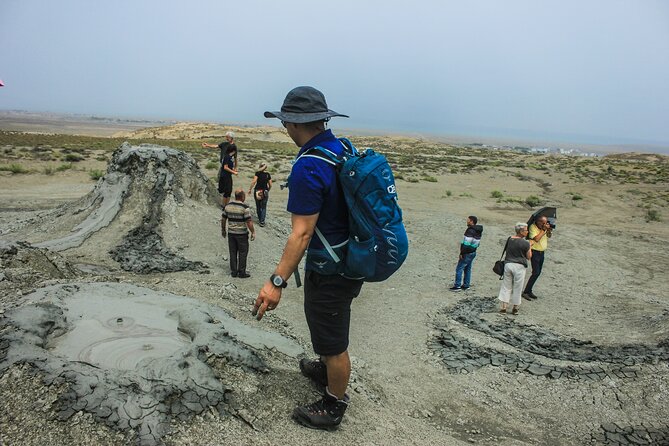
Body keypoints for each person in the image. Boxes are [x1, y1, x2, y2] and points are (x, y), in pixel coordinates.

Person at [253, 86, 362, 431]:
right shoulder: (341, 147)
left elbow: (300, 234)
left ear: (293, 123)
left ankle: (334, 404)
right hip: (348, 255)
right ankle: (325, 369)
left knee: (333, 340)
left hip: (332, 266)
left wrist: (275, 283)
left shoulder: (308, 166)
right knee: (322, 322)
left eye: (285, 122)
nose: (285, 129)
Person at [498, 223, 532, 314]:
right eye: (526, 230)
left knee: (506, 286)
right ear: (521, 231)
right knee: (518, 286)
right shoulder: (526, 243)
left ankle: (503, 307)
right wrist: (530, 247)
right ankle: (515, 307)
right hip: (519, 266)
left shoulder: (510, 239)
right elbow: (529, 257)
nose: (527, 232)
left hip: (508, 264)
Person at [221, 189, 255, 278]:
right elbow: (249, 221)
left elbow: (223, 219)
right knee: (243, 252)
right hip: (242, 234)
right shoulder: (244, 207)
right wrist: (253, 232)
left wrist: (223, 230)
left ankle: (234, 272)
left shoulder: (228, 206)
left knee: (232, 252)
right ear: (242, 197)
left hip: (231, 233)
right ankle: (242, 272)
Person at [203, 131, 238, 206]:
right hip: (224, 165)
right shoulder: (224, 144)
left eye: (227, 137)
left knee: (225, 180)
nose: (226, 138)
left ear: (231, 138)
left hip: (228, 166)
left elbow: (235, 158)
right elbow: (216, 146)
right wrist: (208, 145)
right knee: (222, 178)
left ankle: (224, 194)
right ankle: (222, 194)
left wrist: (235, 167)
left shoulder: (234, 147)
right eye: (226, 137)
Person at [449, 215, 483, 291]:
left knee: (459, 269)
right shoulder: (478, 230)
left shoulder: (470, 230)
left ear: (471, 221)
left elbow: (466, 243)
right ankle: (466, 285)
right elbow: (477, 243)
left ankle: (457, 286)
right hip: (473, 252)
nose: (467, 221)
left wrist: (462, 253)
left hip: (467, 253)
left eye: (468, 220)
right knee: (468, 269)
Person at [522, 215, 552, 300]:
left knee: (538, 273)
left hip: (542, 252)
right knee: (536, 272)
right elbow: (536, 239)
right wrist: (543, 230)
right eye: (543, 223)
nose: (545, 224)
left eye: (546, 222)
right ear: (538, 222)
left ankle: (529, 290)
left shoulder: (543, 228)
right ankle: (526, 292)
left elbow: (549, 236)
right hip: (535, 252)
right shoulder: (532, 227)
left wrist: (548, 230)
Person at [248, 162, 272, 227]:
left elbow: (254, 181)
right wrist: (268, 190)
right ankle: (262, 221)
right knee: (264, 207)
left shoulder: (257, 173)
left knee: (258, 206)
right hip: (265, 191)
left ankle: (260, 219)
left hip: (257, 191)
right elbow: (270, 184)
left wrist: (250, 189)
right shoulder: (268, 174)